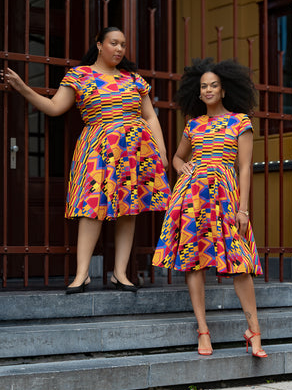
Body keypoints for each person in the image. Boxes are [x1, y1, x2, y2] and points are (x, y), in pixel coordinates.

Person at [1, 26, 171, 293]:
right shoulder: (79, 75)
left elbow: (149, 116)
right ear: (99, 44)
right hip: (97, 147)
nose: (119, 49)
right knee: (91, 208)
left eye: (123, 45)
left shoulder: (134, 79)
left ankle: (120, 274)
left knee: (129, 209)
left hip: (135, 149)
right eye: (114, 43)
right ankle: (82, 275)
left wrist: (160, 149)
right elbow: (55, 108)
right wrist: (24, 88)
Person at [152, 58, 267, 358]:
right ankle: (203, 331)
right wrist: (182, 167)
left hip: (226, 196)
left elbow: (244, 168)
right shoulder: (193, 125)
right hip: (192, 197)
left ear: (224, 89)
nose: (208, 90)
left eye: (213, 85)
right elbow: (177, 158)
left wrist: (243, 210)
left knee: (240, 263)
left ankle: (254, 331)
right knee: (194, 261)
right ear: (198, 92)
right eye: (203, 86)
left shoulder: (240, 122)